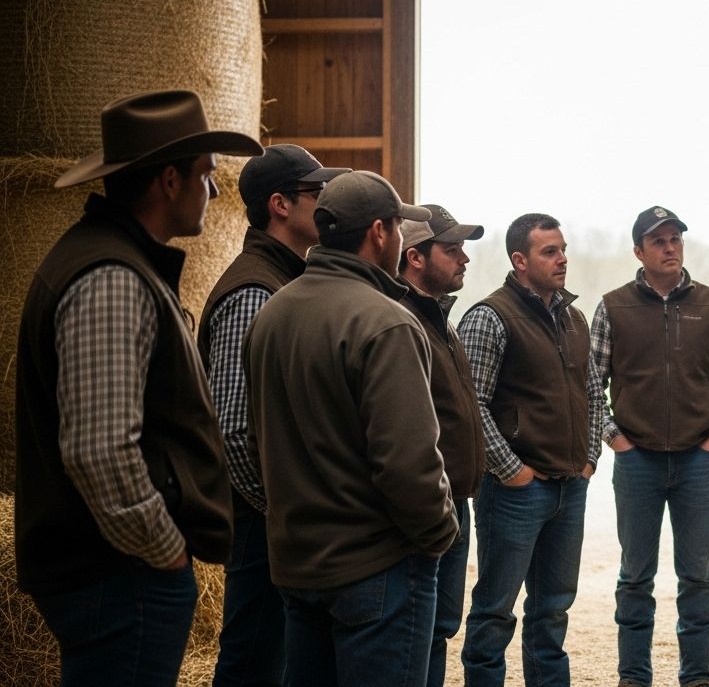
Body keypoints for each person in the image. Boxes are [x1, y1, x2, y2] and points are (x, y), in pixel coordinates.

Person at [13, 89, 259, 685]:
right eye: (206, 175)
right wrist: (163, 553)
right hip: (120, 574)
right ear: (169, 181)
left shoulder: (115, 262)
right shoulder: (111, 279)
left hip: (116, 572)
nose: (217, 191)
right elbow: (99, 450)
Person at [243, 170, 459, 684]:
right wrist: (440, 532)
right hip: (376, 569)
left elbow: (256, 443)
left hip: (298, 569)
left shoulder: (271, 315)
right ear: (380, 233)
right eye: (400, 228)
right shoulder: (386, 323)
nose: (403, 239)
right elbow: (408, 463)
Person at [196, 143, 348, 686]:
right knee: (254, 661)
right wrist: (282, 509)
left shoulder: (283, 278)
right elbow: (233, 427)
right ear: (280, 205)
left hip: (278, 517)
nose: (327, 201)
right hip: (265, 521)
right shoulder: (255, 290)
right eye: (316, 193)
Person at [590, 206, 709, 687]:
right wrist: (616, 440)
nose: (670, 247)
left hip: (697, 463)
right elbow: (587, 386)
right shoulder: (613, 306)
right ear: (638, 251)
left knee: (697, 578)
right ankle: (633, 678)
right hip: (636, 462)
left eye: (675, 238)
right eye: (658, 240)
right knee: (634, 578)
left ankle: (696, 677)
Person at [457, 212, 605, 687]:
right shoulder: (489, 316)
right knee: (494, 612)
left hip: (569, 488)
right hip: (516, 492)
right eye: (550, 251)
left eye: (563, 249)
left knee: (553, 612)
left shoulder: (575, 317)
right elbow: (470, 406)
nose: (562, 259)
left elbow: (594, 393)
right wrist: (512, 471)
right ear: (520, 260)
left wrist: (589, 458)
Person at [396, 205, 489, 687]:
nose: (464, 259)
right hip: (426, 505)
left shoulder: (441, 321)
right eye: (451, 250)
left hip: (454, 502)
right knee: (416, 632)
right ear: (414, 257)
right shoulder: (399, 321)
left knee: (436, 630)